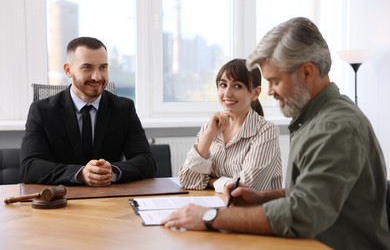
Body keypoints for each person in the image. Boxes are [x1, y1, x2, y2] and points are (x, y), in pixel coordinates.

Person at [161, 17, 390, 249]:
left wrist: (210, 216)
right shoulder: (315, 118)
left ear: (307, 72)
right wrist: (263, 198)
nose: (269, 92)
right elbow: (311, 193)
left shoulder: (334, 127)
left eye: (275, 81)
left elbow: (304, 213)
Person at [20, 37, 156, 186]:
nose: (97, 76)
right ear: (68, 70)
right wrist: (80, 174)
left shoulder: (124, 108)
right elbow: (29, 167)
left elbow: (147, 162)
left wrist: (113, 171)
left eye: (103, 67)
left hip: (111, 200)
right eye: (87, 67)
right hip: (62, 200)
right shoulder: (42, 111)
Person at [178, 59, 282, 192]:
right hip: (215, 204)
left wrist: (209, 181)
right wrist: (209, 135)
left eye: (237, 86)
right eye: (223, 85)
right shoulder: (209, 128)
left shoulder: (266, 131)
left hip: (253, 211)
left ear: (255, 93)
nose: (227, 93)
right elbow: (187, 180)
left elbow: (246, 188)